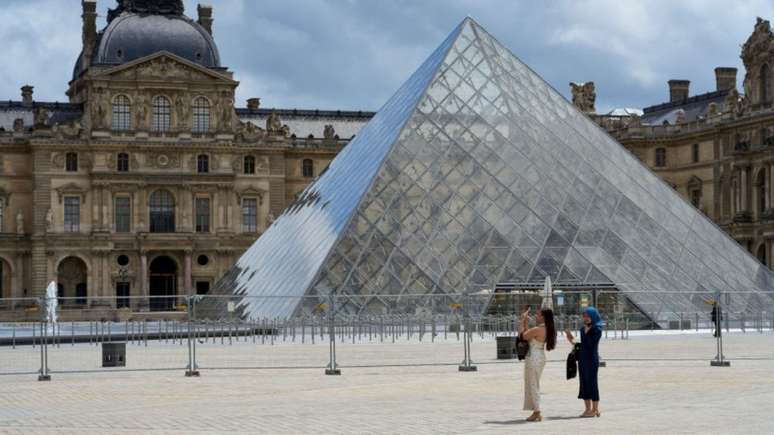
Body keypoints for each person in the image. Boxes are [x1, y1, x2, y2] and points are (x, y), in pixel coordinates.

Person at [519, 307, 557, 422]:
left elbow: (522, 336)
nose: (536, 316)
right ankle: (535, 410)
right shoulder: (545, 329)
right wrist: (526, 322)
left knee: (533, 384)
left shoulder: (538, 329)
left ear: (543, 317)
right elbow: (529, 335)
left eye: (539, 315)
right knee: (533, 383)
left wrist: (522, 320)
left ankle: (537, 411)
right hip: (539, 356)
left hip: (534, 358)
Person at [565, 306, 603, 418]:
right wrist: (570, 338)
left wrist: (587, 332)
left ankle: (595, 409)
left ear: (593, 316)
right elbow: (580, 345)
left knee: (592, 383)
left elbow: (591, 345)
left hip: (591, 360)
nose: (585, 318)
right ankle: (587, 409)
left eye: (587, 316)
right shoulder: (583, 329)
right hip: (582, 360)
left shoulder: (597, 329)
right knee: (584, 384)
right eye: (584, 316)